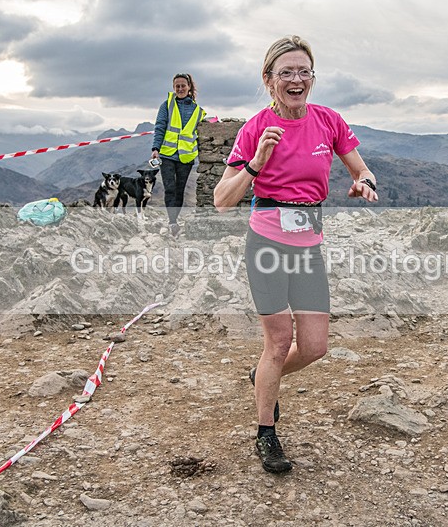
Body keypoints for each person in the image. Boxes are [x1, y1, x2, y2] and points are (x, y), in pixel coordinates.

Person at [213, 35, 378, 473]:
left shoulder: (328, 120)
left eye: (304, 71)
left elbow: (360, 166)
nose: (296, 79)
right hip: (267, 244)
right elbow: (221, 199)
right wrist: (256, 164)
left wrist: (365, 181)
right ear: (269, 80)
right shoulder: (254, 128)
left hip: (309, 246)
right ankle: (266, 431)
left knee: (315, 346)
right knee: (278, 342)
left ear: (313, 78)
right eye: (286, 72)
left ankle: (263, 379)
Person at [151, 73, 206, 238]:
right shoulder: (166, 105)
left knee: (180, 190)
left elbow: (200, 131)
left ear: (189, 87)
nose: (180, 89)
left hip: (186, 157)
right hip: (167, 155)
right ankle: (172, 222)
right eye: (177, 86)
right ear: (173, 88)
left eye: (183, 85)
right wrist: (155, 148)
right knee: (170, 188)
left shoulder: (198, 111)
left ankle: (173, 221)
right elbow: (160, 126)